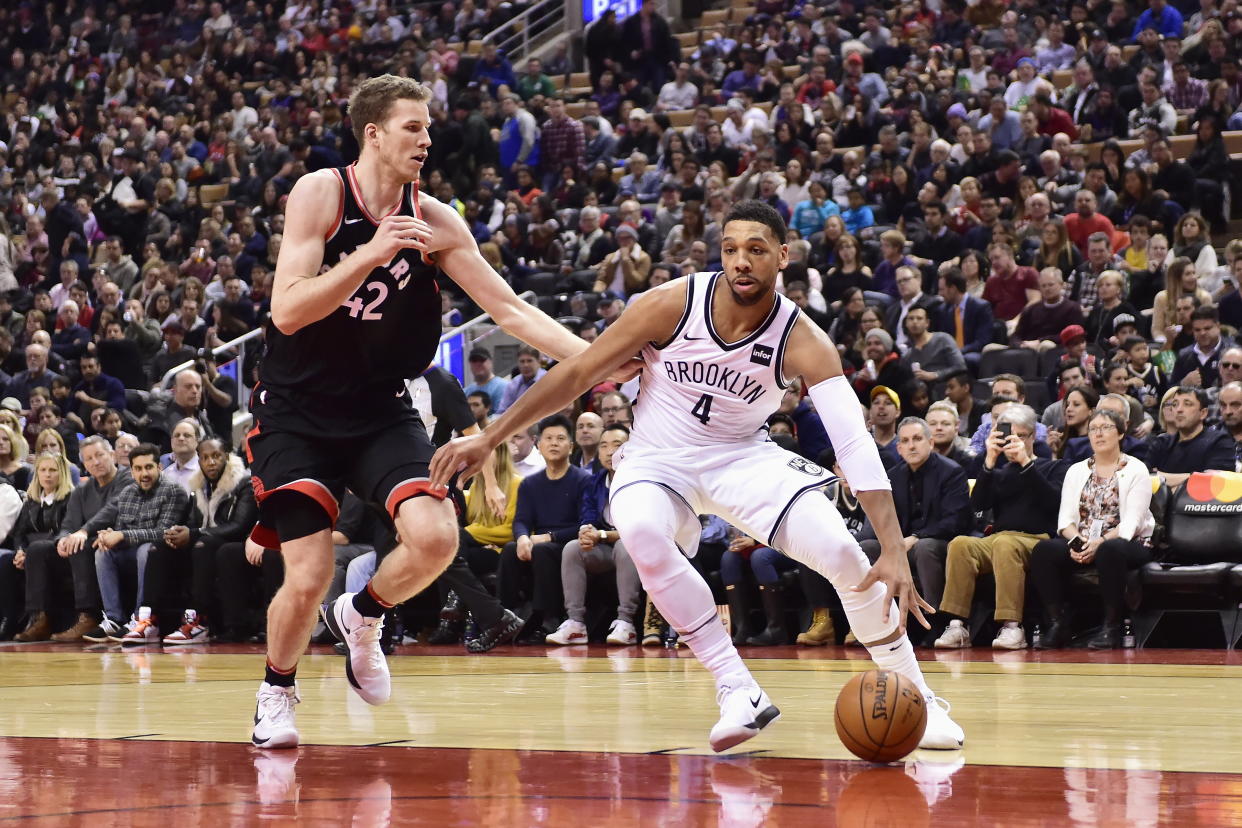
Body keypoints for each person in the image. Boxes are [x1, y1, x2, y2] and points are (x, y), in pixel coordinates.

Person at [432, 200, 964, 753]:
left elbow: (854, 444)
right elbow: (579, 372)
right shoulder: (670, 303)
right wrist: (489, 436)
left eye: (756, 251)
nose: (741, 262)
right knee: (638, 533)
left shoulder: (802, 337)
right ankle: (737, 689)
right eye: (731, 250)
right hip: (658, 458)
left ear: (782, 257)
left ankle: (920, 699)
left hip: (742, 457)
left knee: (846, 557)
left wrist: (894, 548)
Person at [245, 76, 617, 749]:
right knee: (306, 575)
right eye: (412, 126)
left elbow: (509, 309)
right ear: (374, 134)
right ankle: (277, 690)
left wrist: (599, 359)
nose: (427, 137)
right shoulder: (322, 194)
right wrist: (373, 252)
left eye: (429, 126)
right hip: (296, 411)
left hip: (378, 406)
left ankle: (363, 616)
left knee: (439, 536)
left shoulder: (438, 219)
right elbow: (288, 309)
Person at [934, 404, 1067, 650]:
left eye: (1019, 436)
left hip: (1038, 539)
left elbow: (1054, 504)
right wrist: (989, 461)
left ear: (1031, 436)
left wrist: (1026, 463)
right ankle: (956, 625)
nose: (1011, 442)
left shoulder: (1054, 467)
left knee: (1005, 544)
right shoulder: (999, 472)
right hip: (999, 539)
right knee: (961, 544)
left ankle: (1012, 627)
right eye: (1007, 435)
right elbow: (977, 508)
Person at [1030, 407, 1154, 649]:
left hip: (1129, 544)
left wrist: (1099, 543)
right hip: (1085, 541)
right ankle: (1058, 623)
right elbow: (1065, 521)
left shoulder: (1136, 469)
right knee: (1044, 550)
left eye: (1106, 427)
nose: (1099, 433)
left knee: (1111, 550)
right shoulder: (1076, 470)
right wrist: (1078, 543)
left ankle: (1111, 627)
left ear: (1120, 433)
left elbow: (1132, 523)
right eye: (1093, 429)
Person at [859, 418, 971, 646]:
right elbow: (885, 519)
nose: (912, 446)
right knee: (867, 547)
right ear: (898, 448)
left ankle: (935, 621)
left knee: (925, 548)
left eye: (917, 439)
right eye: (906, 441)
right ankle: (880, 620)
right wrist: (894, 542)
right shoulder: (893, 475)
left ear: (930, 443)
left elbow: (956, 521)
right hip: (905, 544)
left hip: (943, 542)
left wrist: (916, 536)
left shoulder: (952, 472)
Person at [545, 423, 640, 645]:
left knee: (626, 546)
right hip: (605, 548)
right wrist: (586, 531)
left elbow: (636, 530)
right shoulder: (595, 481)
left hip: (635, 548)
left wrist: (603, 536)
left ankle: (626, 622)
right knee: (572, 548)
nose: (609, 452)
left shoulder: (642, 480)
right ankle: (575, 623)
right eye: (604, 446)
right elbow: (587, 514)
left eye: (617, 445)